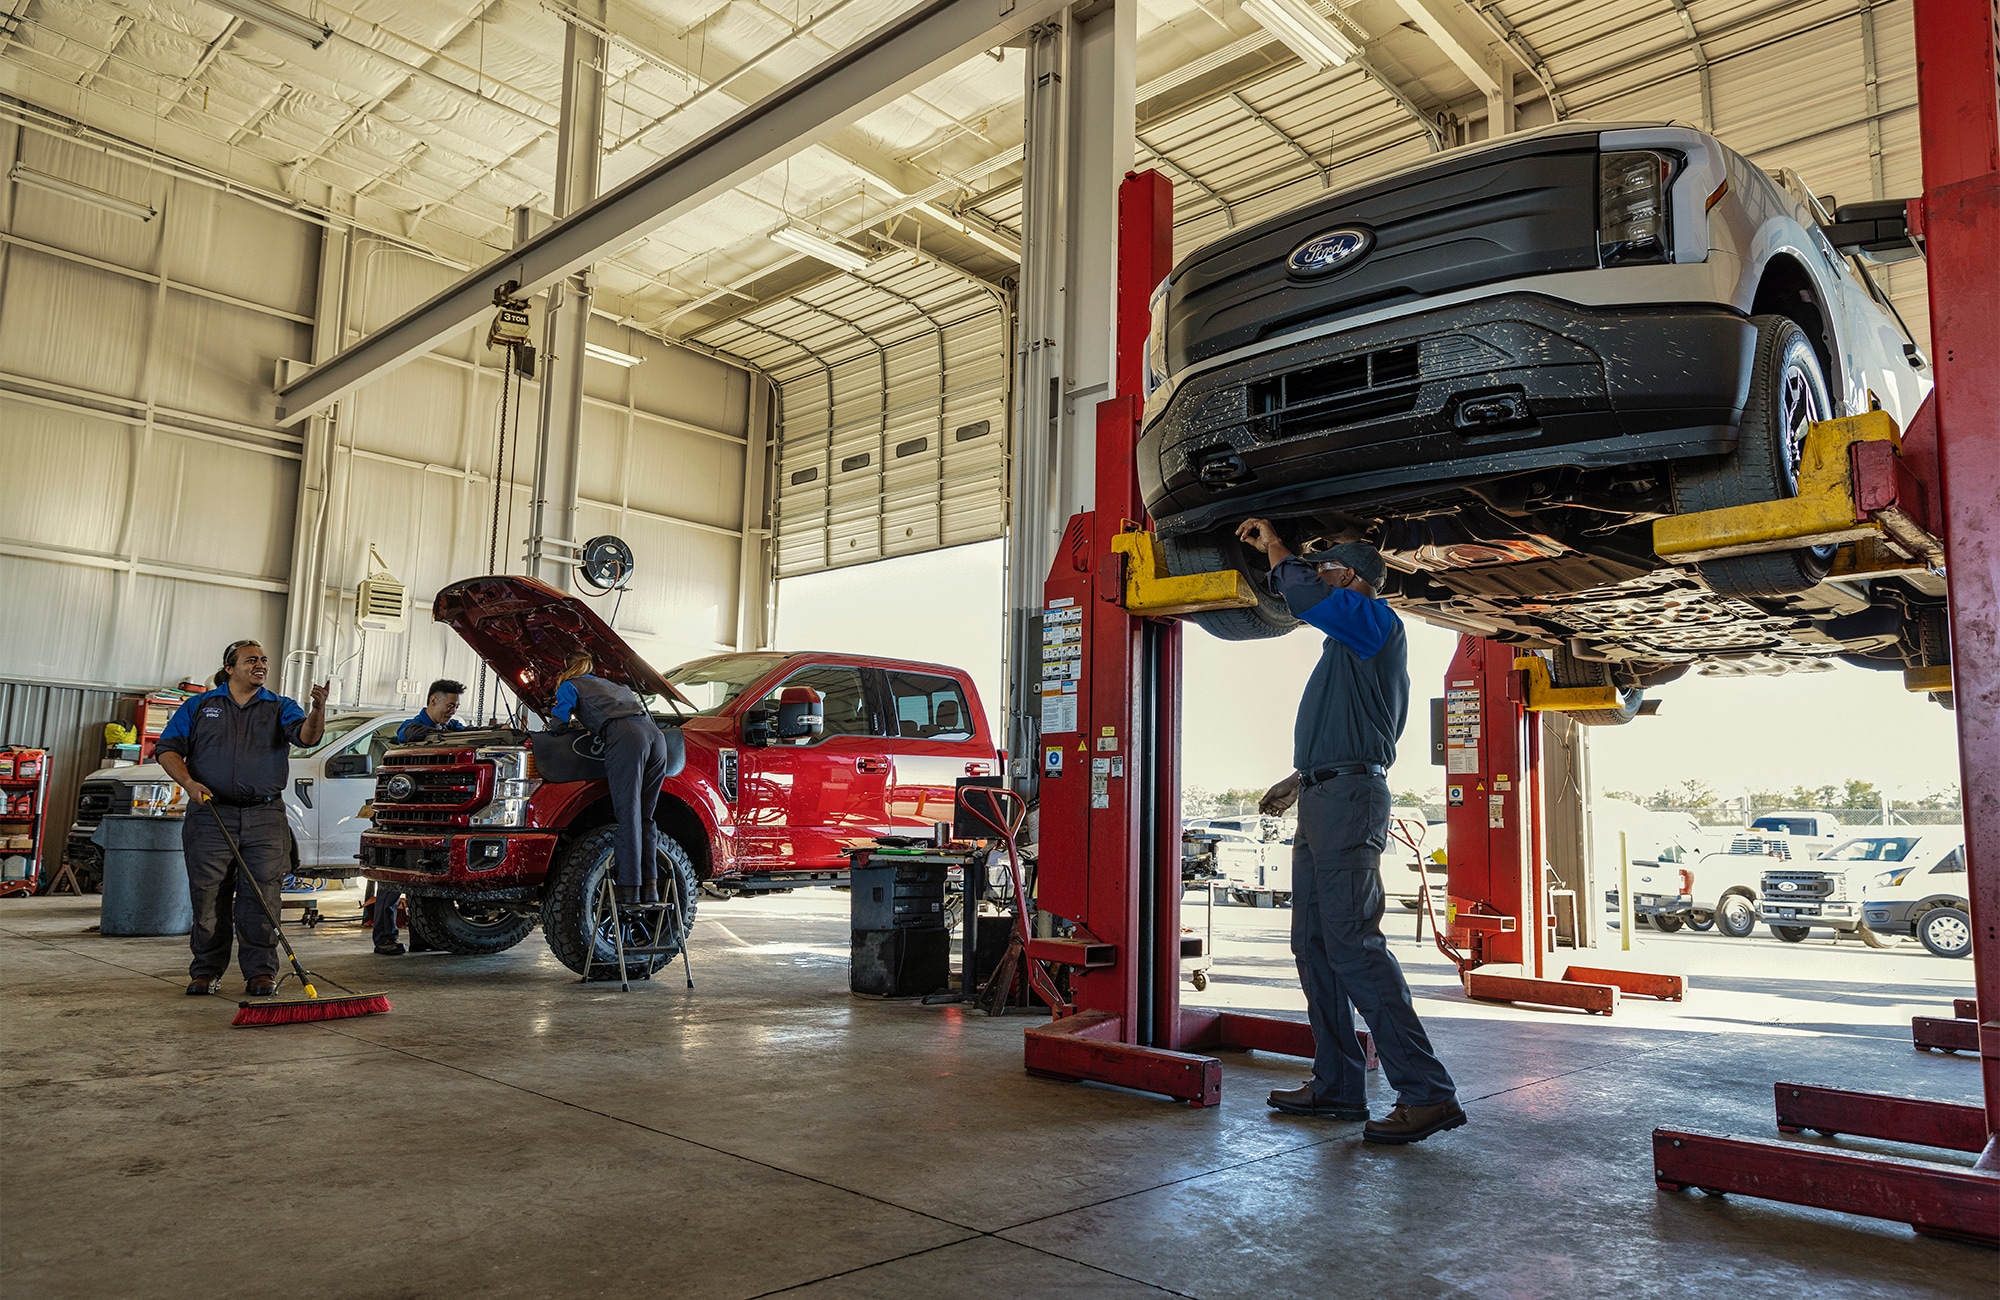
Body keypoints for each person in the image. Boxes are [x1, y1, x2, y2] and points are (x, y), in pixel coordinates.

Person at [1235, 517, 1464, 1146]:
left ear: (1352, 581)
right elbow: (1348, 729)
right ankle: (1337, 1084)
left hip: (1348, 802)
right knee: (1313, 946)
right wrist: (1299, 779)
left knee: (1355, 947)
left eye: (1325, 571)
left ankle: (1426, 1093)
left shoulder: (1376, 624)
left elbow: (1304, 596)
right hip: (1323, 796)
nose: (1310, 583)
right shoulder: (1345, 649)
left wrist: (1279, 549)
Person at [155, 641, 328, 997]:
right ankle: (205, 971)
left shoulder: (280, 706)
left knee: (262, 896)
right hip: (210, 815)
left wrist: (318, 709)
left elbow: (307, 738)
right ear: (230, 667)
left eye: (264, 660)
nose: (261, 665)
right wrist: (187, 782)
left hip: (264, 816)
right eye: (251, 660)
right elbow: (167, 748)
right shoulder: (200, 706)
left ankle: (260, 973)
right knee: (207, 897)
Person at [552, 652, 670, 906]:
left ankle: (628, 891)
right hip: (656, 737)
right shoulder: (617, 686)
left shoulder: (570, 685)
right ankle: (650, 888)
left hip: (626, 737)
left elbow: (559, 722)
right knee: (646, 817)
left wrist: (563, 727)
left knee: (628, 814)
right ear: (592, 667)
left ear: (566, 667)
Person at [368, 679, 468, 954]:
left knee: (422, 882)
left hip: (434, 816)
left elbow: (466, 733)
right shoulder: (410, 726)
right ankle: (385, 938)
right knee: (392, 882)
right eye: (449, 705)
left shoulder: (452, 728)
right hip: (403, 817)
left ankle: (422, 938)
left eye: (456, 707)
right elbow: (409, 735)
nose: (452, 711)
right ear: (433, 700)